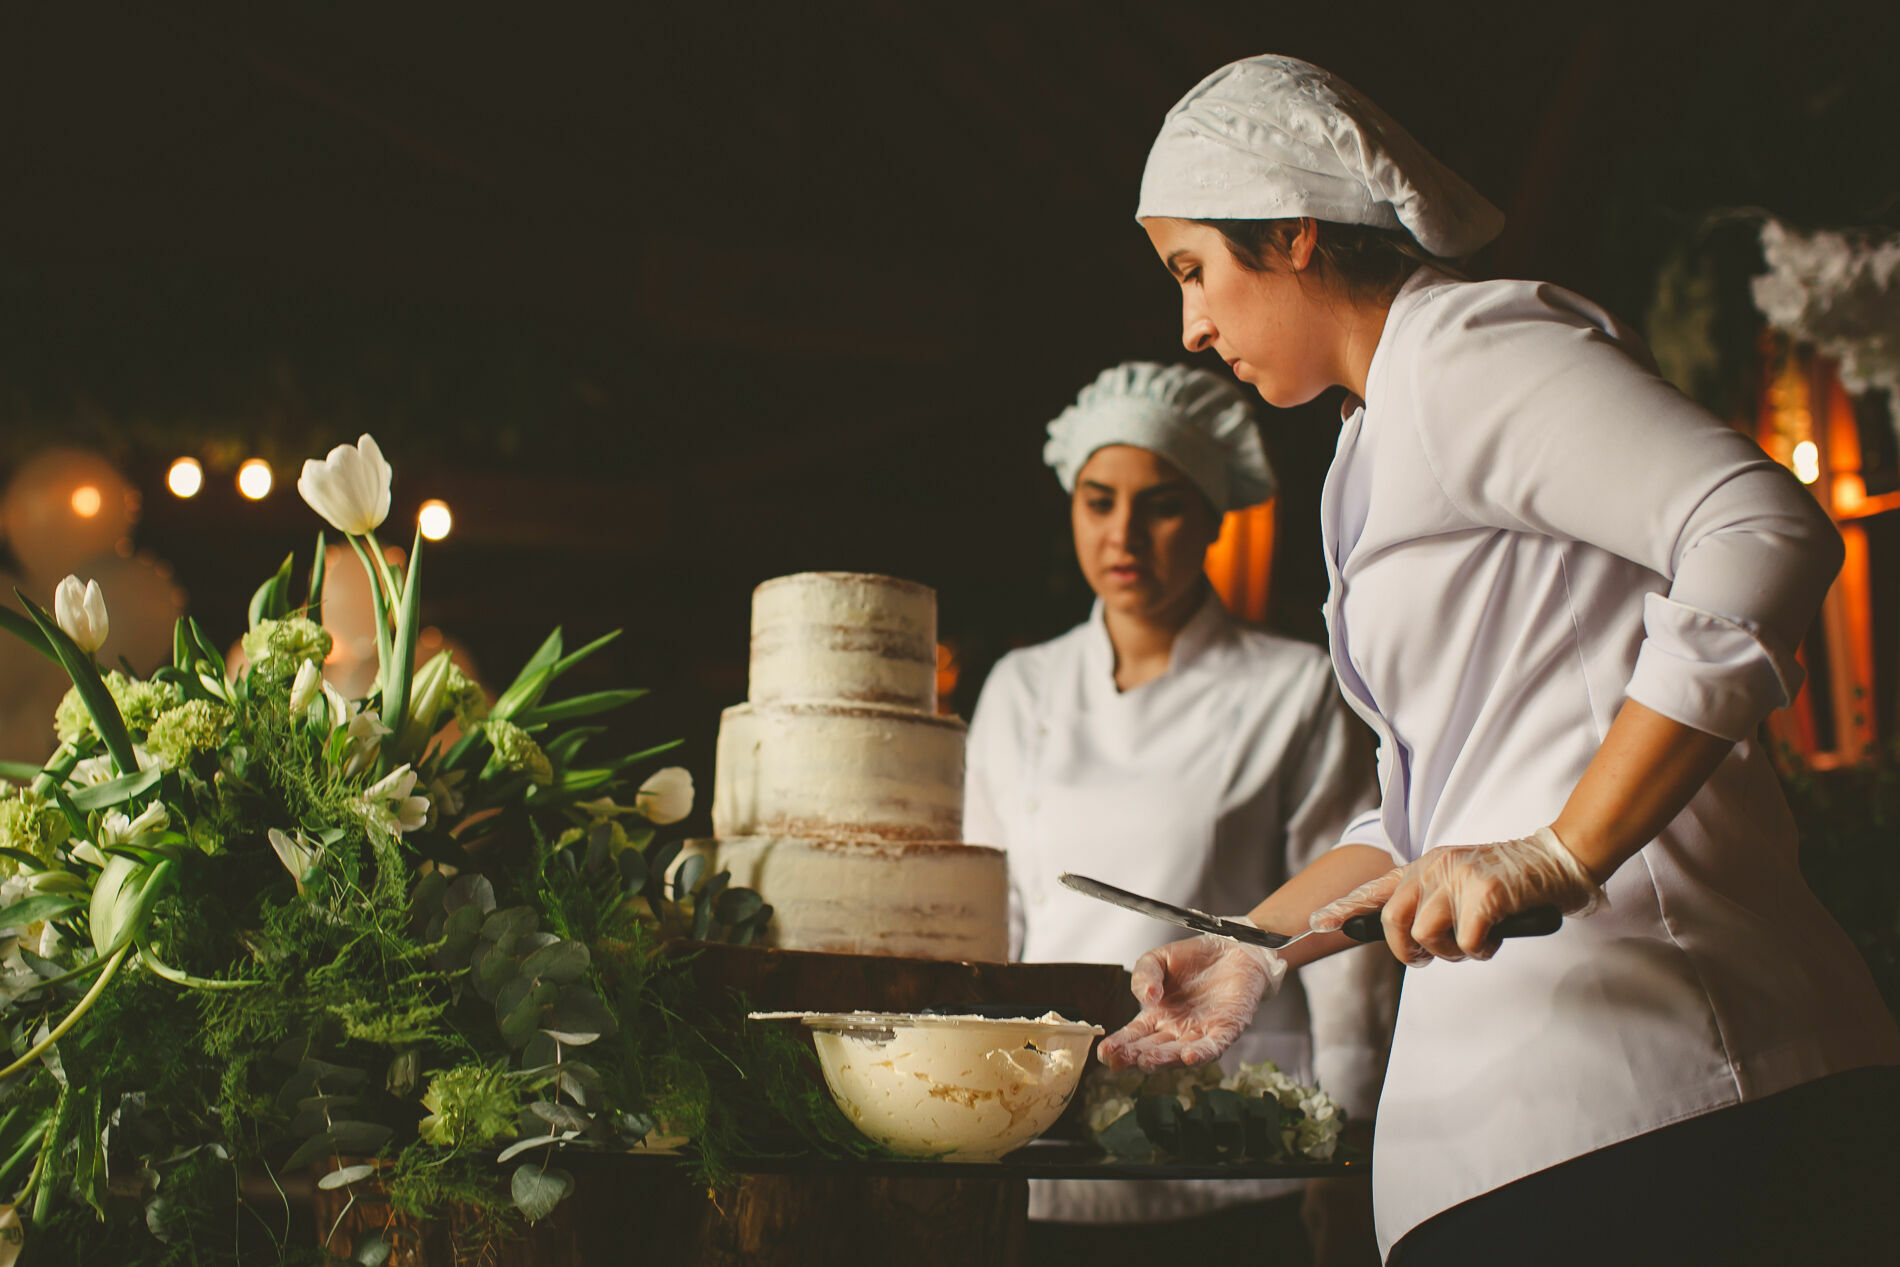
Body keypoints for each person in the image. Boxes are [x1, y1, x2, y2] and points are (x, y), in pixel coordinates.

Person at [1095, 54, 1900, 1265]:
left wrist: (1562, 850)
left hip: (1672, 1095)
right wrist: (1257, 944)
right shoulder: (1368, 442)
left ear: (1297, 231)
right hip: (1525, 1142)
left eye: (1193, 270)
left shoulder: (1464, 345)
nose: (1193, 325)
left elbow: (1756, 529)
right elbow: (1433, 811)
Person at [964, 361, 1393, 1266]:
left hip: (1232, 1159)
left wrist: (1351, 1155)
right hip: (1043, 1147)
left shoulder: (1293, 689)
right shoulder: (1021, 687)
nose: (1126, 533)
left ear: (1210, 513)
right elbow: (993, 923)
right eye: (1098, 500)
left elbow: (1342, 942)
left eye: (1161, 504)